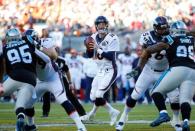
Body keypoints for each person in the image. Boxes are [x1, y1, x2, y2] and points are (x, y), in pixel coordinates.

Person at [116, 16, 181, 131]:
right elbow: (145, 54)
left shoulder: (171, 37)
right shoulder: (146, 37)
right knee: (135, 95)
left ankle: (175, 119)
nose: (165, 30)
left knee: (174, 98)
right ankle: (124, 116)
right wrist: (138, 68)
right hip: (149, 70)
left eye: (166, 27)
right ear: (155, 28)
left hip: (166, 70)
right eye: (162, 28)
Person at [23, 29, 87, 131]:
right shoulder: (25, 51)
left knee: (62, 99)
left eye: (26, 41)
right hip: (40, 80)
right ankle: (31, 126)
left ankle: (81, 126)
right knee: (28, 103)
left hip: (53, 78)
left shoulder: (45, 42)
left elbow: (54, 55)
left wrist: (37, 47)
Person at [144, 21, 195, 131]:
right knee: (185, 100)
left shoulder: (170, 38)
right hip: (192, 71)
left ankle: (163, 114)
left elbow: (153, 49)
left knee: (154, 92)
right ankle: (186, 122)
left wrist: (149, 49)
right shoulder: (192, 39)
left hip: (178, 68)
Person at [0, 27, 50, 131]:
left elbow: (2, 65)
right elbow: (47, 59)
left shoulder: (5, 48)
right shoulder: (28, 44)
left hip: (15, 76)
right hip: (31, 79)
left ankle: (26, 123)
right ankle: (21, 119)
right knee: (20, 106)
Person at [81, 16, 120, 126]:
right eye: (99, 24)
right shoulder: (93, 37)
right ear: (96, 26)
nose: (101, 26)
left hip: (110, 70)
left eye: (103, 24)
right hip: (99, 71)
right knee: (93, 97)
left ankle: (112, 112)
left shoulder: (113, 37)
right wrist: (88, 48)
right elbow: (89, 56)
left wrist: (98, 48)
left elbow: (111, 56)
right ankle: (92, 115)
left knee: (99, 95)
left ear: (106, 25)